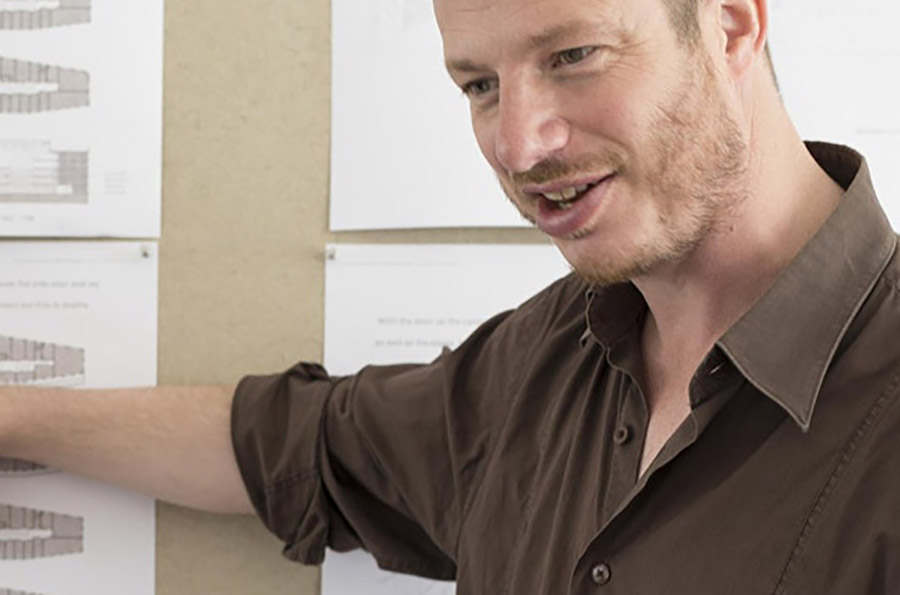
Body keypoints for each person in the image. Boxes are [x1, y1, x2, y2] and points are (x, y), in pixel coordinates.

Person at [1, 0, 897, 592]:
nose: (518, 144)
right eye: (480, 85)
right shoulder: (548, 355)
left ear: (731, 25)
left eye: (573, 55)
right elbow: (298, 445)